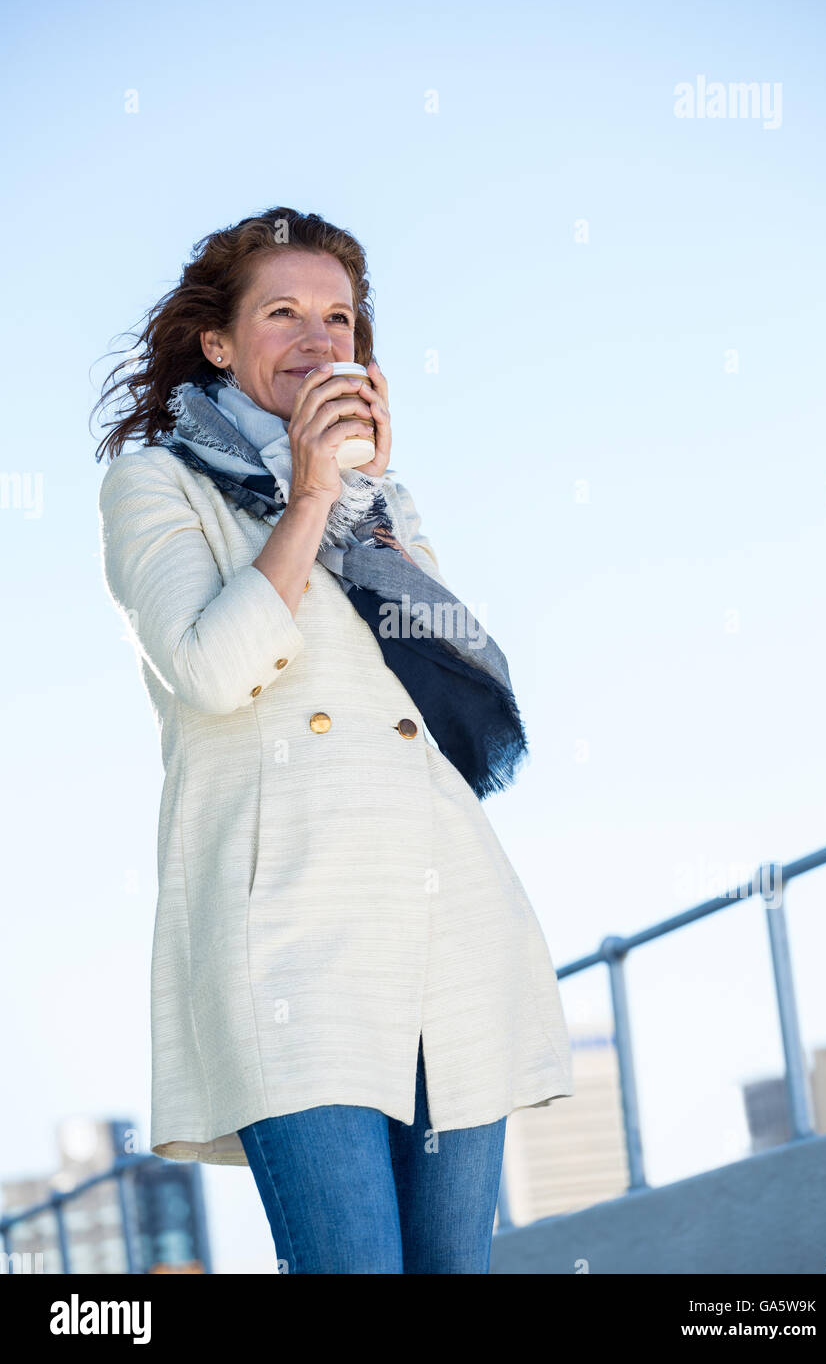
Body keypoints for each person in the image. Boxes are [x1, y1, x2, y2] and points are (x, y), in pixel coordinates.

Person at [94, 206, 574, 1274]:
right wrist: (309, 497)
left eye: (339, 318)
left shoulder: (375, 503)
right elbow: (213, 670)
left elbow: (462, 699)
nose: (318, 339)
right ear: (218, 341)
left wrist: (372, 513)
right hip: (289, 943)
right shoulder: (155, 483)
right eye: (283, 313)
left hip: (443, 931)